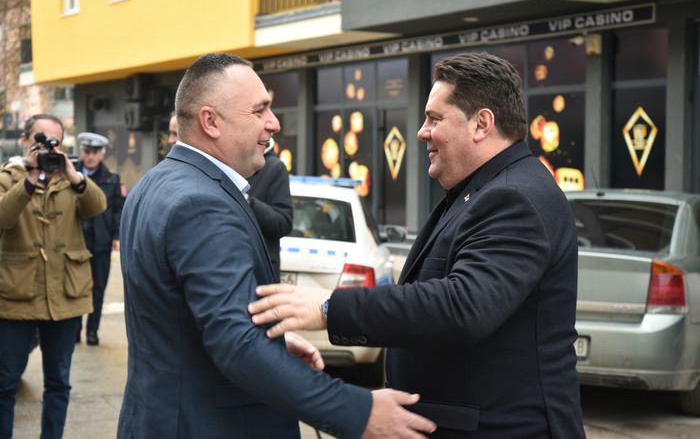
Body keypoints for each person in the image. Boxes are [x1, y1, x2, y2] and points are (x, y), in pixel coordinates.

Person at [249, 52, 586, 438]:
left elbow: (462, 307)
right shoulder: (482, 190)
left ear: (482, 124)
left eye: (434, 119)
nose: (422, 132)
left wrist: (329, 308)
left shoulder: (514, 197)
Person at [117, 53, 435, 439]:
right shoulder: (202, 203)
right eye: (259, 110)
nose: (274, 123)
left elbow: (186, 322)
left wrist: (276, 345)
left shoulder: (155, 183)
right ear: (210, 122)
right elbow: (236, 344)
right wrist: (358, 411)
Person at [0, 114, 107, 439]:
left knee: (59, 382)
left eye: (54, 142)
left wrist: (74, 176)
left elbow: (98, 207)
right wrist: (30, 179)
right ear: (25, 141)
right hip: (17, 295)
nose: (48, 148)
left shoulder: (69, 178)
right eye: (41, 140)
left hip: (65, 295)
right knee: (5, 383)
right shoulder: (8, 176)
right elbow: (3, 217)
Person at [75, 132, 125, 346]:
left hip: (100, 242)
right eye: (87, 151)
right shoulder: (71, 174)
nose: (90, 156)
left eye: (95, 152)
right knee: (75, 288)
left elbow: (118, 209)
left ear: (102, 155)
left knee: (98, 289)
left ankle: (92, 331)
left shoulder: (111, 179)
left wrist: (116, 235)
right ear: (82, 152)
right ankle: (74, 331)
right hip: (75, 241)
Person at [246, 137, 293, 281]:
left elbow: (283, 222)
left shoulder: (274, 168)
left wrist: (247, 201)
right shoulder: (230, 162)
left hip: (260, 272)